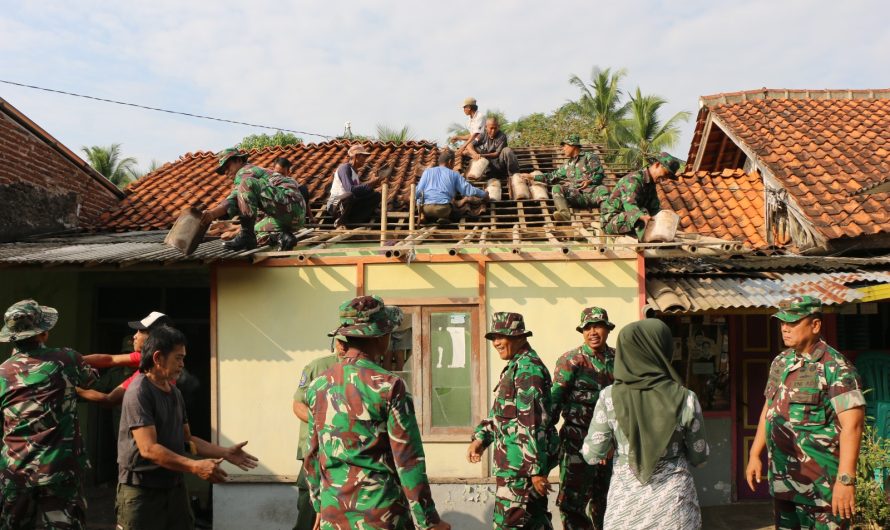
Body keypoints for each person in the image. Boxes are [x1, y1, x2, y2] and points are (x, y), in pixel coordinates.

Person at [303, 296, 449, 530]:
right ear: (382, 337)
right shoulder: (389, 386)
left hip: (334, 515)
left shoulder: (318, 385)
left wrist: (320, 507)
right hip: (380, 516)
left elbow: (311, 454)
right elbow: (408, 460)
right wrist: (428, 520)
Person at [116, 325, 258, 530]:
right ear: (158, 358)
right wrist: (195, 466)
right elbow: (148, 449)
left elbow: (187, 439)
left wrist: (225, 452)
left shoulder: (174, 393)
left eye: (183, 358)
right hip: (141, 490)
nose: (182, 364)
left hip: (173, 486)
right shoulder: (139, 392)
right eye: (178, 358)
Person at [745, 296, 865, 530]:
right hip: (783, 484)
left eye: (792, 322)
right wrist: (754, 454)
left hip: (822, 489)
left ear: (815, 325)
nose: (785, 328)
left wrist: (846, 481)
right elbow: (769, 409)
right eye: (782, 323)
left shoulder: (835, 367)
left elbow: (853, 426)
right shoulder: (780, 362)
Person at [581, 319, 708, 530]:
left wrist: (617, 447)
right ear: (662, 349)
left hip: (626, 508)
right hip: (673, 505)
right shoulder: (685, 397)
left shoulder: (608, 397)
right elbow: (700, 457)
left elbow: (592, 454)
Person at [0, 299, 98, 530]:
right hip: (60, 471)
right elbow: (90, 378)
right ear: (43, 333)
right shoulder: (67, 359)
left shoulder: (2, 373)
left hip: (15, 472)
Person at [467, 312, 558, 529]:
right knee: (535, 524)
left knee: (509, 524)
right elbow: (500, 413)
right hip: (516, 467)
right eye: (494, 338)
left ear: (519, 337)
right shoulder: (515, 367)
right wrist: (480, 439)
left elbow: (532, 422)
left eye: (502, 336)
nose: (496, 343)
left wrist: (535, 470)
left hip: (521, 470)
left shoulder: (528, 369)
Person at [550, 307, 616, 530]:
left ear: (607, 329)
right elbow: (554, 402)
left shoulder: (620, 359)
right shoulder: (571, 361)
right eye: (587, 328)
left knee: (607, 502)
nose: (593, 332)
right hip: (576, 443)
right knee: (572, 505)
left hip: (612, 446)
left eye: (597, 326)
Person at [201, 148, 307, 251]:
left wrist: (212, 214)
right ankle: (283, 237)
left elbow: (233, 199)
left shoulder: (245, 171)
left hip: (289, 203)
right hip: (294, 218)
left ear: (238, 160)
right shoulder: (250, 175)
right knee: (256, 229)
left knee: (247, 183)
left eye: (228, 166)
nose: (227, 172)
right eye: (224, 171)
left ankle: (246, 236)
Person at [290, 333, 344, 530]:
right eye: (340, 341)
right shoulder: (318, 367)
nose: (343, 345)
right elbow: (297, 405)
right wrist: (323, 423)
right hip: (315, 450)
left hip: (346, 456)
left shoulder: (366, 371)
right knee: (310, 508)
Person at [77, 311, 173, 407]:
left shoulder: (153, 372)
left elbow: (110, 399)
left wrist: (72, 389)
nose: (135, 336)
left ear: (152, 337)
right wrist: (72, 358)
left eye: (140, 331)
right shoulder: (150, 357)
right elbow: (110, 359)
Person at [599, 152, 681, 239]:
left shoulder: (651, 185)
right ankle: (648, 242)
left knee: (657, 218)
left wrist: (666, 218)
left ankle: (655, 239)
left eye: (669, 177)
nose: (665, 178)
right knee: (642, 214)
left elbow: (655, 209)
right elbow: (629, 205)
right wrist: (643, 216)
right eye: (666, 173)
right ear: (657, 165)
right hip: (611, 221)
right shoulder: (634, 179)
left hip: (627, 219)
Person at [530, 134, 608, 222]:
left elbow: (599, 174)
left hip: (594, 194)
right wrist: (532, 177)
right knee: (557, 188)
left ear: (573, 145)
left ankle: (607, 217)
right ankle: (564, 215)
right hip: (578, 196)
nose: (563, 149)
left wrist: (590, 181)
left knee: (603, 189)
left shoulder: (590, 157)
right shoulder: (568, 165)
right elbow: (551, 177)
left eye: (565, 146)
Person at [415, 149, 489, 224]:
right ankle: (444, 217)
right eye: (454, 163)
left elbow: (418, 192)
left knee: (419, 197)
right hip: (443, 209)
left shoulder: (427, 172)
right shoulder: (454, 174)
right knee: (453, 206)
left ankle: (423, 215)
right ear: (450, 162)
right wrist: (484, 194)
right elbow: (468, 190)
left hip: (426, 209)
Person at [325, 145, 382, 227]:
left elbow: (360, 191)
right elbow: (350, 189)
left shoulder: (355, 174)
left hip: (348, 205)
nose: (365, 159)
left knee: (376, 195)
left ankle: (351, 220)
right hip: (335, 204)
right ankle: (340, 220)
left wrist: (372, 185)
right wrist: (370, 183)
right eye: (363, 156)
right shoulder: (344, 168)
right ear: (356, 156)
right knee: (350, 194)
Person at [272, 157, 313, 221]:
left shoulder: (292, 182)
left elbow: (305, 199)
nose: (279, 176)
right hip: (277, 212)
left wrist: (311, 217)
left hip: (292, 212)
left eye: (282, 174)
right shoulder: (269, 181)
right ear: (273, 170)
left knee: (303, 189)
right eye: (277, 173)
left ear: (288, 172)